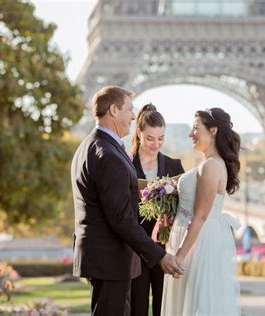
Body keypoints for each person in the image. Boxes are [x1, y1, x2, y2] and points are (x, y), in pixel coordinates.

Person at [70, 86, 184, 315]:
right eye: (130, 109)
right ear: (113, 110)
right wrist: (159, 256)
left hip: (104, 258)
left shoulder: (91, 146)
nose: (133, 116)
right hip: (111, 260)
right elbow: (121, 218)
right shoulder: (108, 154)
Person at [161, 108, 241, 315]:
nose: (191, 134)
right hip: (195, 240)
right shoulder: (208, 164)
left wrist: (179, 257)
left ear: (213, 130)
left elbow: (201, 215)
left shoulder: (211, 166)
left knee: (195, 304)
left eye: (196, 128)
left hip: (198, 244)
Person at [130, 103, 185, 316]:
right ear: (139, 133)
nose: (155, 144)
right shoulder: (124, 163)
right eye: (150, 138)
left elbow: (183, 207)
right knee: (137, 308)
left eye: (160, 138)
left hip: (165, 249)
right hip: (134, 249)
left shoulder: (174, 166)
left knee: (165, 308)